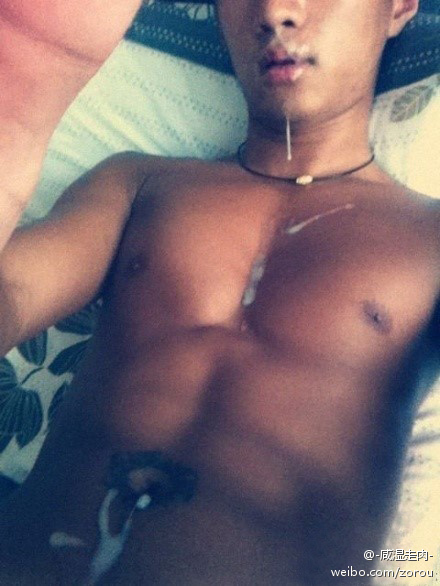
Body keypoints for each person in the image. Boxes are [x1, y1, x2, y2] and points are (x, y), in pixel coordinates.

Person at [0, 0, 439, 584]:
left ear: (399, 7)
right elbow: (15, 292)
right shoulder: (138, 185)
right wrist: (13, 134)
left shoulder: (429, 238)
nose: (275, 11)